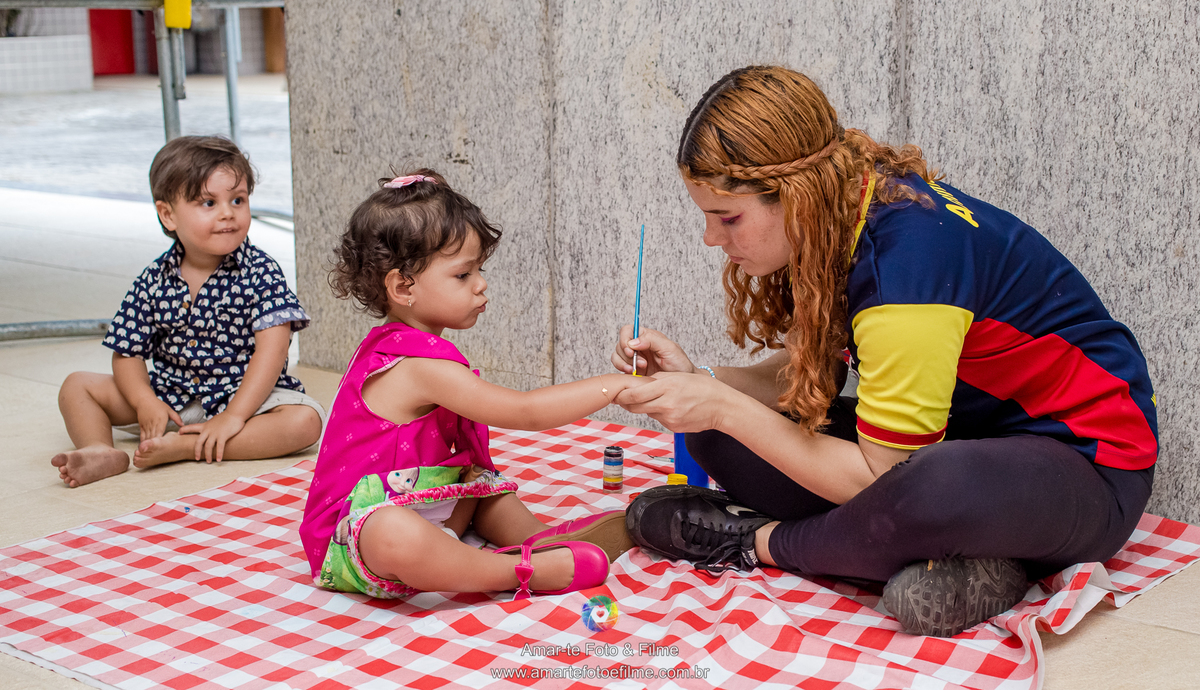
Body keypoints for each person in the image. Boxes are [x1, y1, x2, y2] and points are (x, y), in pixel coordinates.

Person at [611, 66, 1157, 637]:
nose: (711, 239)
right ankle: (971, 557)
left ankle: (759, 542)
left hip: (1089, 467)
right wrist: (702, 380)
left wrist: (721, 404)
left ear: (794, 197)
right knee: (715, 432)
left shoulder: (907, 271)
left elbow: (882, 478)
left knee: (928, 487)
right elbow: (811, 373)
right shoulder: (839, 214)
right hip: (964, 441)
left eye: (727, 217)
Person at [299, 171, 646, 601]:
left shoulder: (408, 346)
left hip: (427, 501)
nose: (481, 283)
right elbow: (525, 411)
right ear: (403, 286)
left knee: (481, 486)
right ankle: (515, 570)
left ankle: (543, 539)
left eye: (479, 269)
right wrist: (611, 387)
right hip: (354, 538)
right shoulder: (416, 365)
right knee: (392, 533)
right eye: (463, 274)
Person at [53, 136, 325, 487]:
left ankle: (188, 446)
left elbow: (272, 351)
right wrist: (145, 401)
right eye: (208, 203)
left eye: (238, 200)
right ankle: (100, 449)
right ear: (168, 215)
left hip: (245, 394)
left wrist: (233, 415)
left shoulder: (260, 270)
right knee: (77, 386)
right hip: (171, 396)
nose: (228, 212)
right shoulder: (154, 278)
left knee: (305, 422)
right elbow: (127, 353)